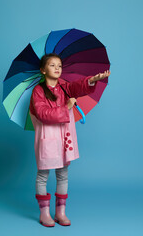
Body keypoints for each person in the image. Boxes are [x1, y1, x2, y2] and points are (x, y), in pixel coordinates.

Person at [29, 53, 110, 227]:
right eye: (52, 65)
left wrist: (92, 80)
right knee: (43, 175)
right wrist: (66, 107)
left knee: (63, 174)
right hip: (47, 138)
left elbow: (79, 86)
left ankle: (60, 212)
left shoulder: (64, 87)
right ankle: (44, 214)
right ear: (43, 70)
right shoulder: (38, 91)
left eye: (59, 65)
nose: (57, 68)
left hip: (63, 138)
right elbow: (43, 114)